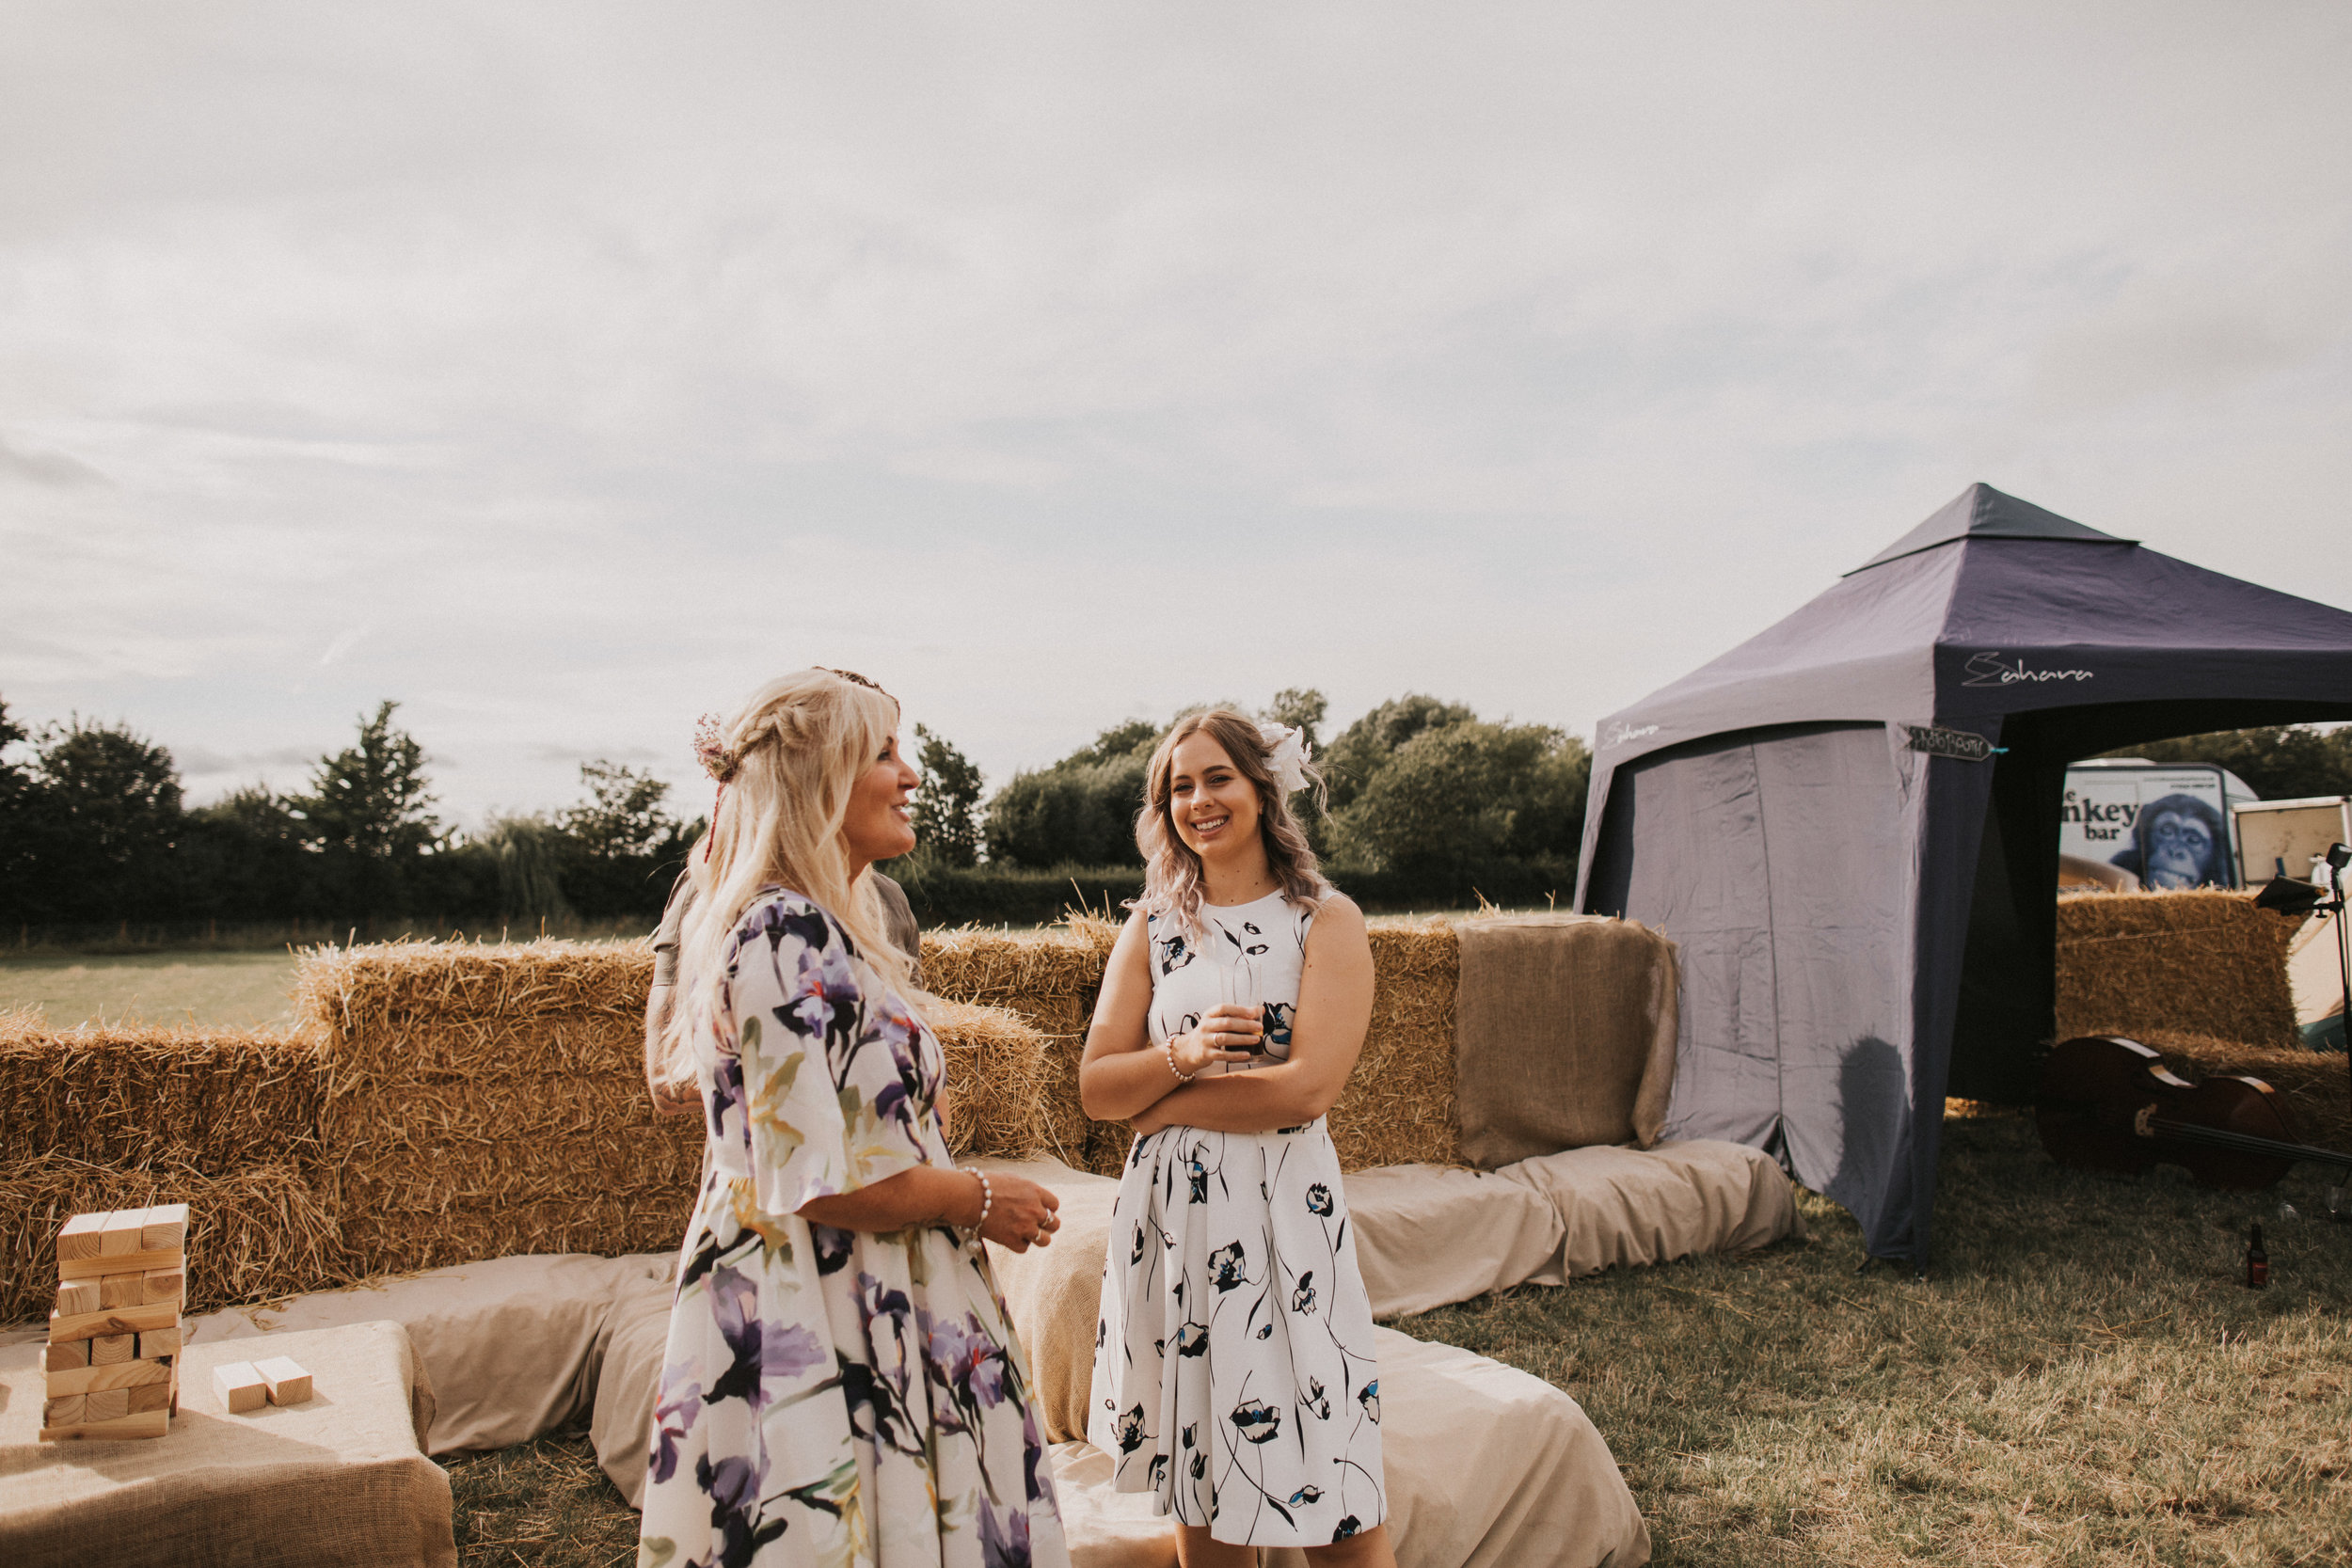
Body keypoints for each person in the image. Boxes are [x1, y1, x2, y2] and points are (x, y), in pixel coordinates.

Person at [638, 668, 1072, 1568]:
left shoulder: (826, 928)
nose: (909, 774)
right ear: (817, 778)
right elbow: (815, 1181)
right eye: (883, 752)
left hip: (867, 1283)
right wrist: (980, 1195)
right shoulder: (781, 931)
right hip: (825, 1302)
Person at [1077, 711, 1395, 1568]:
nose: (1198, 800)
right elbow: (1098, 1085)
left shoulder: (1324, 920)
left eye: (1216, 777)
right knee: (1201, 1471)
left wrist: (1167, 1105)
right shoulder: (1152, 925)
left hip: (1286, 1215)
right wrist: (1179, 1056)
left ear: (1261, 788)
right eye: (1179, 786)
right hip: (1173, 1225)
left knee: (1333, 1476)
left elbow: (1308, 1089)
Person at [644, 863, 919, 1116]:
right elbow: (668, 1085)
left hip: (897, 1157)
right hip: (773, 1160)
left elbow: (918, 1057)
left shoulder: (889, 896)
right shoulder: (717, 884)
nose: (906, 805)